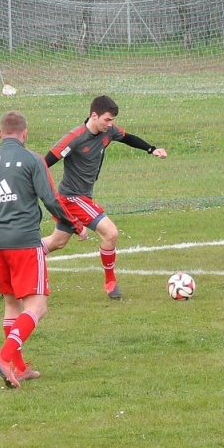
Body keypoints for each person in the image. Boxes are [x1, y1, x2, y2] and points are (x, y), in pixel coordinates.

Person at [0, 111, 82, 386]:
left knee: (12, 304)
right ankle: (4, 356)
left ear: (0, 134)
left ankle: (19, 367)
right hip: (25, 242)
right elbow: (50, 198)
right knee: (38, 306)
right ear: (24, 134)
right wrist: (74, 223)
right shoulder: (32, 159)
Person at [40, 95, 168, 300]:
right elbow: (45, 162)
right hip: (72, 198)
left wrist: (151, 149)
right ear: (94, 115)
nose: (111, 124)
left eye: (112, 120)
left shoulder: (108, 131)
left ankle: (19, 259)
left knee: (57, 242)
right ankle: (110, 283)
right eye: (107, 119)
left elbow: (128, 138)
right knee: (111, 233)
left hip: (81, 196)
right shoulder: (75, 137)